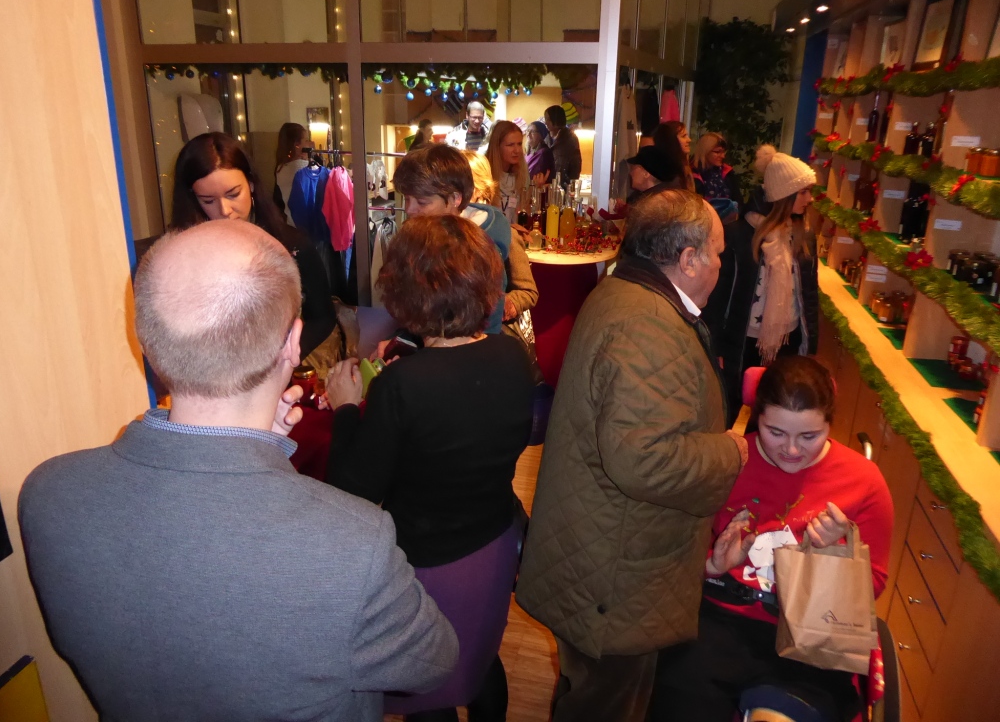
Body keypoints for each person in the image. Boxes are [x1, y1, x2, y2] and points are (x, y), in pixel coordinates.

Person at [18, 220, 459, 722]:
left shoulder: (49, 493)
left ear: (147, 342)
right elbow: (434, 663)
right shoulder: (355, 543)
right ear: (293, 343)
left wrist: (259, 454)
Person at [515, 189, 747, 722]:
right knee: (605, 703)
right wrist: (729, 452)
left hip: (603, 552)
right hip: (616, 577)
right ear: (687, 259)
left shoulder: (628, 292)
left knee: (587, 693)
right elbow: (644, 459)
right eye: (716, 252)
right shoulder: (647, 326)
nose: (720, 264)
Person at [324, 215, 535, 722]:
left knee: (428, 686)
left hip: (428, 561)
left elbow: (351, 494)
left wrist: (346, 408)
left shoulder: (404, 384)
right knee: (480, 659)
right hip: (494, 541)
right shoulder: (513, 355)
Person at [651, 355, 894, 722]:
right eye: (775, 432)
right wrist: (712, 564)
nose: (791, 450)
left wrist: (833, 553)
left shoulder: (863, 482)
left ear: (830, 423)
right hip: (719, 620)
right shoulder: (728, 462)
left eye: (809, 436)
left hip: (809, 637)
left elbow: (871, 584)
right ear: (757, 418)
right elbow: (670, 560)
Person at [170, 132, 344, 379]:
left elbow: (323, 317)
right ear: (193, 199)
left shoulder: (291, 245)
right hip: (213, 380)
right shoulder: (184, 257)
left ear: (251, 184)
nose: (224, 210)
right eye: (208, 200)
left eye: (233, 194)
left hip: (280, 374)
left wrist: (280, 359)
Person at [702, 152, 819, 428]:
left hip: (787, 339)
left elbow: (809, 294)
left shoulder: (803, 236)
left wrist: (811, 342)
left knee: (775, 411)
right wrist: (715, 344)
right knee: (728, 409)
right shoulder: (739, 235)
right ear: (784, 194)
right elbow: (718, 296)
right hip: (744, 341)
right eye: (803, 192)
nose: (810, 199)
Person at [392, 144, 511, 334]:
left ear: (455, 198)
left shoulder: (483, 247)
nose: (409, 210)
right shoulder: (424, 232)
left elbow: (488, 327)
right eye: (407, 199)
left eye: (422, 202)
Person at [464, 150, 539, 350]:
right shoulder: (449, 231)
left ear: (479, 187)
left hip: (495, 338)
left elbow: (529, 291)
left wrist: (507, 303)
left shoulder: (503, 232)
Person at [485, 120, 531, 223]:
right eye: (510, 145)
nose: (517, 150)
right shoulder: (485, 175)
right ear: (497, 147)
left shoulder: (522, 175)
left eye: (519, 144)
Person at [692, 132, 743, 221]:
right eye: (717, 152)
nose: (723, 156)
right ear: (705, 151)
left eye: (723, 152)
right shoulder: (690, 174)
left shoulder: (728, 172)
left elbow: (739, 202)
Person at [274, 122, 312, 223]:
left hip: (291, 222)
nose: (308, 143)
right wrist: (308, 160)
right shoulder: (304, 166)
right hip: (308, 224)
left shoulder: (280, 168)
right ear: (297, 145)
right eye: (306, 140)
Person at [651, 120, 696, 192]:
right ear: (670, 140)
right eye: (683, 136)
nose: (689, 140)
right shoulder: (666, 170)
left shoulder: (683, 165)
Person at [544, 104, 582, 186]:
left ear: (556, 119)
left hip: (563, 187)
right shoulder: (546, 139)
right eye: (545, 119)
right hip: (547, 186)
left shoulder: (569, 139)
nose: (546, 122)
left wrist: (569, 186)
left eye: (548, 119)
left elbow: (575, 166)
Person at [525, 120, 555, 186]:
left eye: (532, 131)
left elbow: (535, 177)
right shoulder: (528, 154)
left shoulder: (544, 153)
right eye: (528, 131)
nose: (528, 134)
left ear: (541, 135)